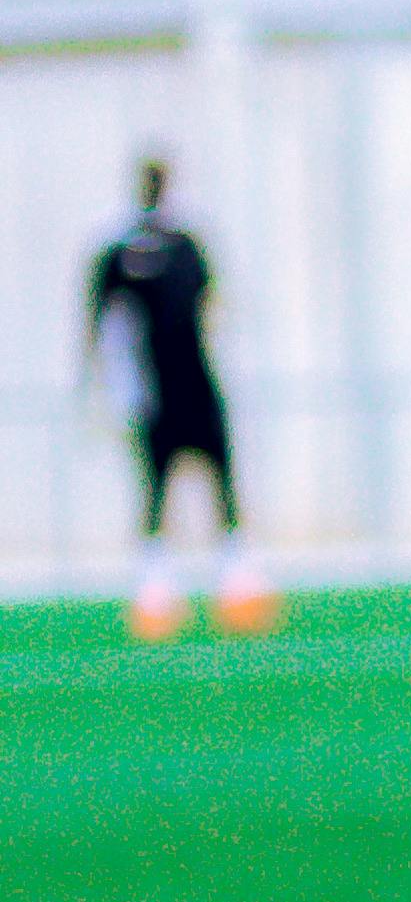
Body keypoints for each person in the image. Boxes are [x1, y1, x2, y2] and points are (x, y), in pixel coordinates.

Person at [82, 158, 269, 643]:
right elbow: (100, 326)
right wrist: (108, 390)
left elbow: (212, 304)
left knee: (222, 484)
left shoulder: (186, 245)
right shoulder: (119, 254)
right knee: (156, 491)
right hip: (155, 395)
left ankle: (236, 584)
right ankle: (156, 594)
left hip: (197, 386)